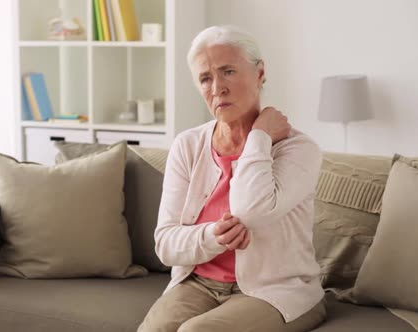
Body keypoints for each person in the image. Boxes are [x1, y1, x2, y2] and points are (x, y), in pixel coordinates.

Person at [137, 25, 326, 332]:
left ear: (260, 73)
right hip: (198, 285)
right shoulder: (187, 145)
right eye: (206, 78)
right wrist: (214, 236)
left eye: (228, 72)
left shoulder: (299, 149)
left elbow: (252, 210)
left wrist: (259, 136)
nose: (217, 88)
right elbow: (166, 244)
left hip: (278, 292)